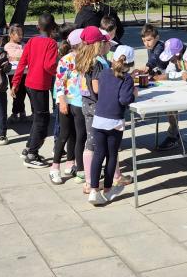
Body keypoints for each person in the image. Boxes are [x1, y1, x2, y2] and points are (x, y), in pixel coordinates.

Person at [88, 44, 137, 205]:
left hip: (99, 118)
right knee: (112, 155)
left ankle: (94, 190)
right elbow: (124, 99)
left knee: (98, 154)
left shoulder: (104, 73)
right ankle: (108, 190)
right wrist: (133, 94)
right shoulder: (127, 79)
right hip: (115, 120)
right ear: (130, 64)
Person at [13, 14, 60, 169]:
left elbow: (22, 63)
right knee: (42, 120)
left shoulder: (32, 41)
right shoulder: (52, 44)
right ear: (53, 28)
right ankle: (32, 154)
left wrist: (15, 83)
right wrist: (60, 71)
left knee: (38, 118)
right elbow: (49, 66)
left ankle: (28, 148)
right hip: (40, 85)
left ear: (38, 27)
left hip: (29, 84)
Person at [75, 26, 111, 192]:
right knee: (99, 144)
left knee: (89, 143)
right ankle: (92, 182)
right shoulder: (96, 63)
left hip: (85, 104)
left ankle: (88, 181)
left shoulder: (82, 59)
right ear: (97, 43)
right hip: (97, 106)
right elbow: (97, 88)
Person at [50, 33, 89, 184]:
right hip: (67, 101)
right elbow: (59, 82)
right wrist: (62, 101)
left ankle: (72, 164)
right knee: (64, 134)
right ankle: (54, 168)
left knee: (77, 135)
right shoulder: (66, 59)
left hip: (80, 102)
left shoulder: (86, 58)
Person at [3, 24, 27, 122]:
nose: (21, 36)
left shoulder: (23, 44)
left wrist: (20, 57)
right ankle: (16, 113)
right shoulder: (7, 46)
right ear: (11, 35)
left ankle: (21, 112)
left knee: (23, 92)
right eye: (18, 34)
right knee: (16, 92)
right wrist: (22, 57)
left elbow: (25, 56)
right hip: (14, 73)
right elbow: (12, 57)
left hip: (25, 71)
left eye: (22, 34)